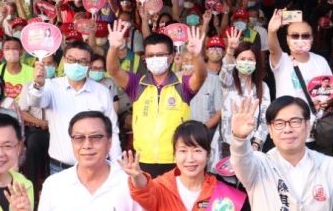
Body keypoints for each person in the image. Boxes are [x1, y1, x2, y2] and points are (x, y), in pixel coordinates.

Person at [107, 22, 206, 177]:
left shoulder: (182, 84)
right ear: (145, 58)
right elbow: (113, 70)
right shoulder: (136, 84)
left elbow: (200, 77)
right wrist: (113, 48)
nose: (155, 59)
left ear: (171, 57)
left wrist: (197, 56)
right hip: (143, 161)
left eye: (160, 55)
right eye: (150, 55)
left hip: (177, 161)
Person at [25, 40, 120, 174]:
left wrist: (117, 167)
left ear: (88, 64)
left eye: (82, 61)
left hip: (96, 168)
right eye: (71, 60)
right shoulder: (51, 86)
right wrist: (38, 84)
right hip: (60, 168)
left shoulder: (102, 92)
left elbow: (112, 131)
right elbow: (36, 101)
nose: (76, 64)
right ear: (64, 60)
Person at [218, 37, 270, 162]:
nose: (246, 62)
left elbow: (265, 118)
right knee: (228, 180)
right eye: (242, 59)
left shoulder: (262, 87)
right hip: (228, 144)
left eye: (250, 59)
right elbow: (225, 73)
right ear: (236, 61)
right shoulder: (228, 83)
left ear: (256, 62)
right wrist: (230, 51)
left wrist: (256, 143)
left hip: (251, 145)